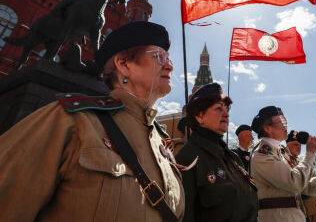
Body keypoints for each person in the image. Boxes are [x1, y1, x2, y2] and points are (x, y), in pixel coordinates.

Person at [0, 21, 184, 221]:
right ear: (123, 64)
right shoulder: (70, 121)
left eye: (169, 57)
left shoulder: (162, 142)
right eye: (159, 56)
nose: (170, 65)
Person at [176, 83, 258, 222]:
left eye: (226, 108)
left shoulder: (233, 158)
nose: (226, 114)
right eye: (218, 108)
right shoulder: (187, 159)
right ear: (199, 116)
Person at [250, 106, 316, 222]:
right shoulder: (262, 155)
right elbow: (295, 182)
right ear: (268, 128)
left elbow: (304, 187)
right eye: (281, 121)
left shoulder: (278, 152)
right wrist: (310, 154)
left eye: (285, 120)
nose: (285, 124)